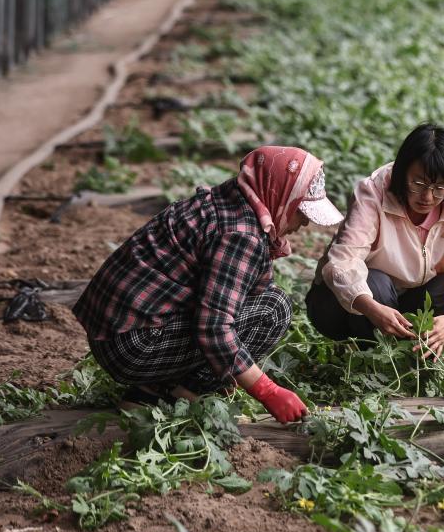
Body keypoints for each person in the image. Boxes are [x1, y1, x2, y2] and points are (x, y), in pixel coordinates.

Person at [73, 146, 344, 423]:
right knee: (273, 309)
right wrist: (267, 390)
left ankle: (155, 390)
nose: (305, 223)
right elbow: (214, 327)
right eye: (302, 211)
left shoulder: (228, 201)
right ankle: (171, 394)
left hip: (114, 335)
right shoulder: (241, 235)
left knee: (261, 298)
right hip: (134, 347)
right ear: (281, 195)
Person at [306, 123, 444, 360]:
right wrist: (372, 308)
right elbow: (342, 262)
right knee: (376, 283)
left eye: (440, 187)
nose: (428, 197)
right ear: (403, 171)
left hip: (408, 297)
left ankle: (413, 354)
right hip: (344, 305)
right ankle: (373, 357)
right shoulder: (373, 193)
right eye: (418, 184)